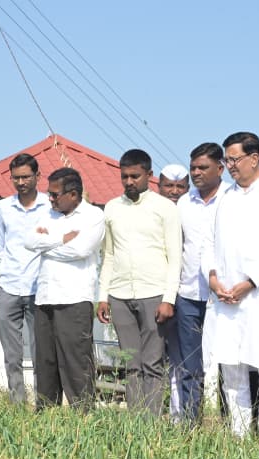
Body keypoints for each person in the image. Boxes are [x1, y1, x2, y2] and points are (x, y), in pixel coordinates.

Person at [203, 132, 259, 442]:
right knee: (232, 371)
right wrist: (213, 278)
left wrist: (249, 282)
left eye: (234, 159)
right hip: (226, 298)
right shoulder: (224, 198)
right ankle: (238, 438)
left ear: (254, 159)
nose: (229, 166)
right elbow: (208, 242)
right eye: (226, 160)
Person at [98, 149, 182, 416]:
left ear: (149, 175)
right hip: (119, 294)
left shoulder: (165, 208)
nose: (129, 181)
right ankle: (134, 423)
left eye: (135, 176)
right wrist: (103, 296)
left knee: (152, 363)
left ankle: (152, 424)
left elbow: (175, 257)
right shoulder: (112, 208)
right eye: (124, 176)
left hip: (154, 293)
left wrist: (168, 299)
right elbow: (109, 255)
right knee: (130, 363)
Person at [24, 167, 105, 410]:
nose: (50, 199)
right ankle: (46, 416)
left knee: (76, 362)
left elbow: (80, 250)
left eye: (55, 194)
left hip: (73, 298)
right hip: (45, 297)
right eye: (49, 194)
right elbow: (29, 241)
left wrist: (45, 245)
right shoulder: (48, 214)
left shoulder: (92, 215)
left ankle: (83, 417)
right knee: (45, 362)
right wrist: (61, 239)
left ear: (73, 194)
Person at [172, 143, 229, 423]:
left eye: (203, 167)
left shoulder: (232, 199)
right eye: (193, 167)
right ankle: (190, 424)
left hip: (225, 295)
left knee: (229, 364)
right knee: (190, 364)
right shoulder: (184, 203)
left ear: (220, 168)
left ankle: (232, 425)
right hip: (189, 294)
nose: (196, 173)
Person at [0, 153, 50, 404]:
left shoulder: (49, 206)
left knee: (41, 352)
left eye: (26, 177)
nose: (21, 182)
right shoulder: (3, 208)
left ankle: (42, 404)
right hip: (9, 286)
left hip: (39, 287)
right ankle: (17, 403)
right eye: (16, 178)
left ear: (38, 176)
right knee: (12, 355)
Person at [156, 162, 190, 416]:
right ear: (159, 186)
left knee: (186, 358)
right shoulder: (153, 210)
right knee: (158, 357)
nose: (174, 191)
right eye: (169, 186)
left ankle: (182, 415)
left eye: (180, 186)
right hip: (158, 293)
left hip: (188, 293)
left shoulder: (191, 210)